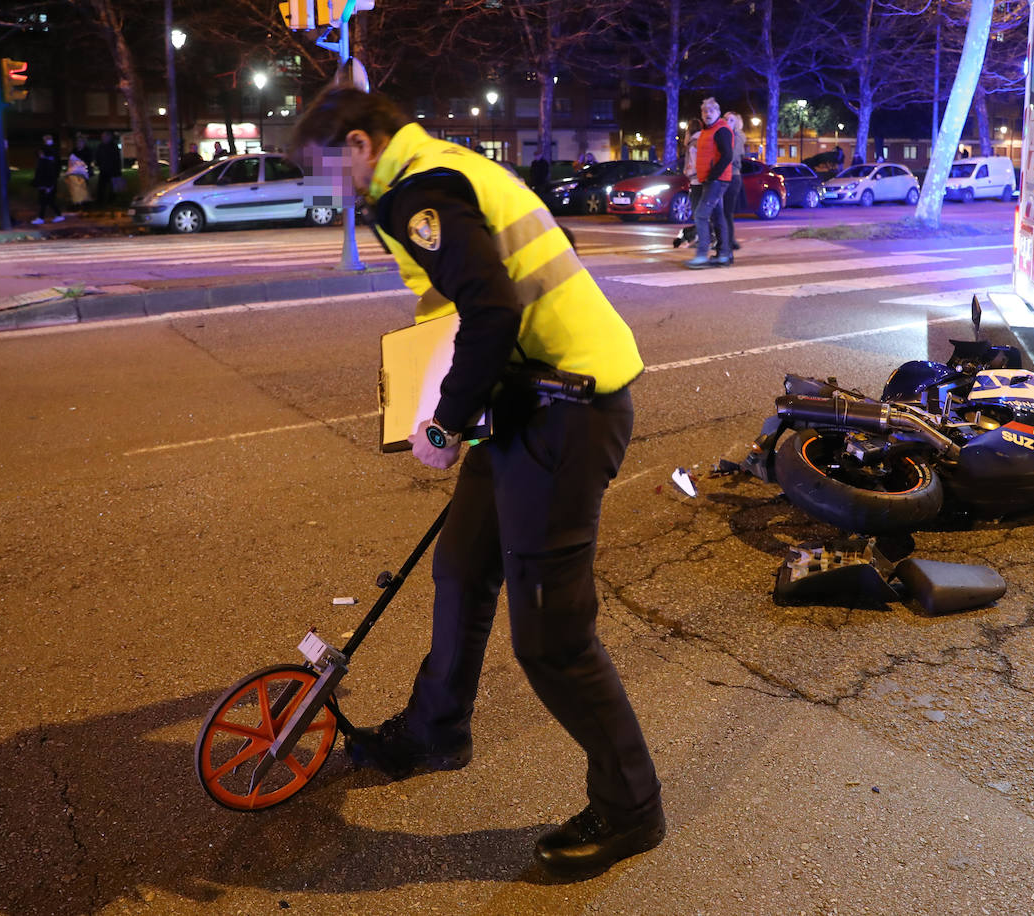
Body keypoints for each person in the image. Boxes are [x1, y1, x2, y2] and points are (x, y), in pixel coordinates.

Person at [292, 87, 665, 876]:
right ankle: (437, 730)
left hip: (568, 409)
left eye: (324, 167)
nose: (326, 185)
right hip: (531, 396)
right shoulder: (445, 166)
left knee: (551, 637)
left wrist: (447, 422)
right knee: (462, 563)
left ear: (358, 144)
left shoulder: (414, 192)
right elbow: (485, 298)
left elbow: (490, 308)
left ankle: (632, 808)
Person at [684, 97, 732, 269]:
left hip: (716, 180)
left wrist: (713, 176)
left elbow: (728, 155)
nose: (707, 114)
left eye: (711, 110)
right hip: (709, 180)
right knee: (717, 216)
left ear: (718, 113)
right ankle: (723, 254)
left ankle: (702, 255)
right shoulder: (707, 131)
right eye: (705, 111)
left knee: (701, 215)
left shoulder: (721, 130)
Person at [718, 111, 746, 257]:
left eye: (731, 120)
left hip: (732, 176)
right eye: (725, 118)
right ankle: (728, 241)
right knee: (722, 212)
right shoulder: (724, 135)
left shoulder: (737, 136)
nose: (727, 121)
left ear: (737, 123)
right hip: (725, 176)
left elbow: (732, 156)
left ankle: (728, 243)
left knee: (726, 212)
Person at [672, 117, 702, 249]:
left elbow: (694, 164)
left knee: (697, 211)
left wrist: (688, 171)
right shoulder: (701, 140)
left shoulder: (693, 143)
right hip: (701, 181)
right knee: (701, 212)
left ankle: (700, 239)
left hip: (697, 181)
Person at [31, 135, 64, 225]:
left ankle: (42, 217)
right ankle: (57, 215)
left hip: (46, 183)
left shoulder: (46, 162)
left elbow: (49, 173)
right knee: (47, 201)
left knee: (45, 200)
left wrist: (49, 185)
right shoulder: (45, 160)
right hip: (45, 183)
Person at [95, 131, 122, 205]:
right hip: (103, 169)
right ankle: (100, 200)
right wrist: (99, 164)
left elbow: (117, 159)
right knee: (101, 186)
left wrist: (117, 169)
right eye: (102, 137)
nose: (103, 138)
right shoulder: (101, 146)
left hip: (112, 169)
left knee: (112, 187)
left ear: (109, 137)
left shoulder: (113, 146)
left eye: (104, 137)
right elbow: (98, 156)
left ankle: (111, 200)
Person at [65, 144, 92, 210]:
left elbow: (88, 163)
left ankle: (80, 203)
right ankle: (79, 203)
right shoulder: (74, 154)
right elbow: (70, 164)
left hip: (80, 173)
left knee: (81, 188)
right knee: (77, 189)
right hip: (74, 173)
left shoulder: (86, 153)